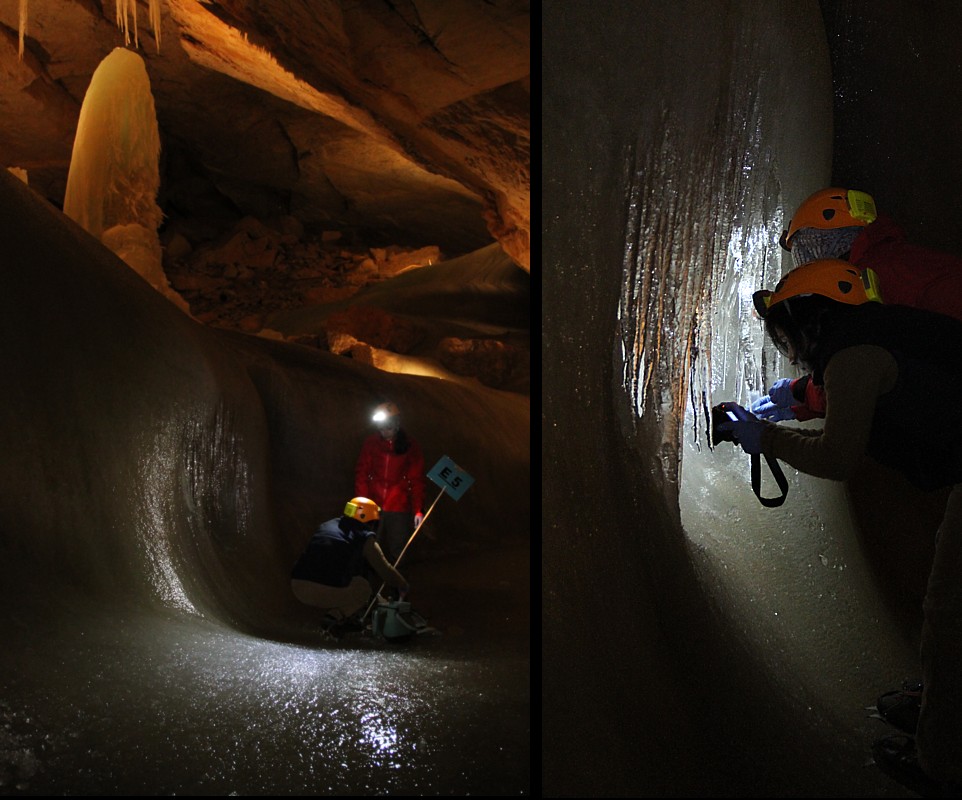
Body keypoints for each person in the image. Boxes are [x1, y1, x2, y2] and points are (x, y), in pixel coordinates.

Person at [719, 258, 962, 795]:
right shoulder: (872, 334)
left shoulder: (852, 356)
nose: (785, 342)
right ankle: (943, 705)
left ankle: (942, 763)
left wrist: (765, 438)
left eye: (784, 329)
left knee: (950, 612)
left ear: (810, 320)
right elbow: (859, 387)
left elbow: (838, 456)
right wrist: (793, 398)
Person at [754, 186, 962, 422]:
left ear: (824, 243)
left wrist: (803, 393)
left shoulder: (874, 279)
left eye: (805, 253)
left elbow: (867, 377)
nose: (806, 269)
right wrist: (804, 398)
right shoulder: (890, 262)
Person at [291, 496, 409, 631]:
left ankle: (332, 612)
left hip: (297, 586)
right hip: (320, 592)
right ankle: (334, 617)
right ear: (368, 519)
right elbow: (385, 570)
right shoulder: (364, 537)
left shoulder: (326, 525)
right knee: (363, 588)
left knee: (347, 578)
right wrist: (402, 585)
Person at [354, 401, 426, 568]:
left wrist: (418, 509)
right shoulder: (372, 443)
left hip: (399, 507)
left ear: (397, 424)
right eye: (381, 428)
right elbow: (362, 473)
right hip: (373, 505)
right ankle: (367, 589)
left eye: (388, 427)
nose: (384, 432)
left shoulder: (410, 446)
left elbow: (416, 479)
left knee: (397, 551)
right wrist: (362, 502)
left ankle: (397, 590)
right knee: (369, 548)